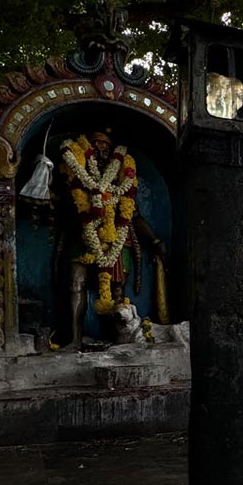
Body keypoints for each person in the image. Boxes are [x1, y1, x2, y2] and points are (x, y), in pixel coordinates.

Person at [58, 129, 165, 347]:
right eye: (95, 143)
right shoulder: (75, 175)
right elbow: (63, 207)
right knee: (76, 284)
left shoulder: (122, 181)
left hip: (117, 237)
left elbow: (134, 216)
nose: (101, 148)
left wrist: (154, 240)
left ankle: (118, 340)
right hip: (84, 237)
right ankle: (75, 340)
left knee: (117, 291)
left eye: (105, 145)